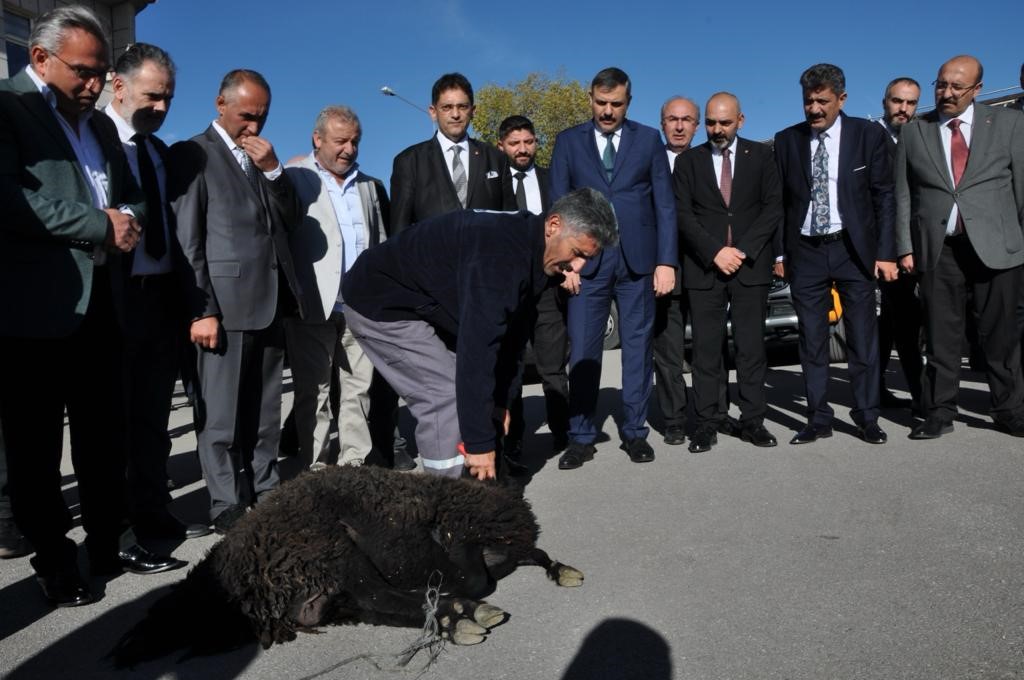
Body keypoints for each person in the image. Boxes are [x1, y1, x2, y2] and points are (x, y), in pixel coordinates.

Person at [0, 5, 183, 607]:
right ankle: (54, 559)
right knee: (35, 451)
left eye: (102, 72)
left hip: (105, 305)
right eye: (83, 71)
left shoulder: (101, 126)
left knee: (106, 438)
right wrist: (96, 225)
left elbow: (132, 198)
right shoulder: (7, 107)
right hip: (35, 311)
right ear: (39, 59)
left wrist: (127, 219)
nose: (95, 84)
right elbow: (11, 201)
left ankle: (108, 543)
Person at [343, 189, 618, 481]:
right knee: (444, 394)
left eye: (588, 259)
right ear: (553, 226)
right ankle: (444, 504)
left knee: (472, 397)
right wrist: (479, 444)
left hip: (426, 303)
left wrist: (501, 403)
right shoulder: (501, 259)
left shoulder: (534, 253)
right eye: (577, 254)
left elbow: (511, 341)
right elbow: (478, 351)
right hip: (380, 300)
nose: (578, 268)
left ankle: (470, 485)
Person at [171, 69, 303, 534]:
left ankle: (266, 489)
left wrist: (273, 171)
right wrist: (201, 308)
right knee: (221, 414)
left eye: (262, 116)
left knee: (265, 411)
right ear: (220, 104)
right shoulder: (192, 154)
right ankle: (225, 501)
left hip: (269, 301)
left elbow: (288, 220)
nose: (255, 126)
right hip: (221, 308)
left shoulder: (262, 159)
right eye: (247, 115)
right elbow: (188, 240)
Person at [104, 43, 210, 541]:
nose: (162, 109)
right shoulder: (96, 139)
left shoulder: (159, 152)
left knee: (153, 416)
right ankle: (117, 521)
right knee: (111, 419)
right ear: (119, 86)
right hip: (112, 299)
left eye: (168, 98)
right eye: (153, 96)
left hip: (160, 299)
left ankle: (151, 511)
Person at [549, 67, 677, 469]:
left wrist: (666, 261)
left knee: (638, 348)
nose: (607, 111)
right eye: (601, 103)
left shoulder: (648, 140)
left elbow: (665, 204)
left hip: (638, 261)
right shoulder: (568, 142)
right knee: (584, 349)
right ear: (590, 98)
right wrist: (564, 265)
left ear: (628, 102)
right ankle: (581, 436)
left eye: (616, 104)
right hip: (586, 265)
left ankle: (635, 432)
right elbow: (557, 209)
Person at [895, 55, 1024, 439]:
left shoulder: (1009, 123)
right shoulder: (915, 131)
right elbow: (904, 195)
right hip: (939, 248)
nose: (946, 93)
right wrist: (905, 247)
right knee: (940, 336)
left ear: (977, 89)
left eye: (956, 87)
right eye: (941, 84)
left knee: (1001, 336)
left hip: (997, 248)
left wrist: (1011, 236)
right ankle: (938, 413)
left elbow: (1020, 190)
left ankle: (1009, 410)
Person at [774, 63, 897, 446]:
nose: (813, 109)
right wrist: (779, 252)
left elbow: (884, 197)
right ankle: (818, 418)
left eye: (822, 101)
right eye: (808, 101)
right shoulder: (786, 140)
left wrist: (885, 252)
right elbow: (780, 202)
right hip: (805, 251)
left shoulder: (867, 135)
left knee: (862, 337)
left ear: (841, 99)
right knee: (811, 340)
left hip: (852, 249)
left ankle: (867, 416)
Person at [675, 93, 782, 453]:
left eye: (724, 122)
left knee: (751, 348)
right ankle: (707, 422)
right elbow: (683, 215)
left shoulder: (763, 156)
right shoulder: (689, 161)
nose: (717, 130)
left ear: (741, 120)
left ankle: (753, 421)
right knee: (706, 351)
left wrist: (743, 250)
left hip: (750, 267)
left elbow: (772, 208)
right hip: (705, 269)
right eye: (710, 123)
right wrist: (715, 252)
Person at [283, 105, 389, 469]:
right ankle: (314, 466)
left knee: (358, 390)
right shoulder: (296, 177)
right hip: (313, 306)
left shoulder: (368, 186)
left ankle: (353, 464)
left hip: (358, 307)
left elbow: (379, 244)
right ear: (318, 139)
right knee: (314, 392)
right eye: (340, 141)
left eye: (355, 142)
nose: (349, 149)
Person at [496, 114, 570, 455]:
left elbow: (567, 229)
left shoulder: (550, 180)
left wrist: (570, 268)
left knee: (553, 366)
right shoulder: (491, 184)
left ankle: (562, 433)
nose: (523, 149)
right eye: (515, 143)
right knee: (510, 370)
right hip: (508, 290)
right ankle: (513, 441)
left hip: (547, 287)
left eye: (528, 142)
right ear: (501, 146)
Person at [390, 72, 514, 232]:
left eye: (462, 107)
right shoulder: (408, 162)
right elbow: (400, 232)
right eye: (447, 107)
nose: (455, 115)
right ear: (433, 112)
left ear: (473, 110)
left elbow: (511, 223)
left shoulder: (496, 159)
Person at [875, 77, 924, 414]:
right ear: (885, 101)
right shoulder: (869, 137)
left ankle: (912, 391)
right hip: (881, 249)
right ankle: (915, 394)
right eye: (897, 101)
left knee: (901, 321)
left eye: (910, 104)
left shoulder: (921, 136)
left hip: (914, 244)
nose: (903, 109)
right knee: (893, 321)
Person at [654, 96, 699, 446]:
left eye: (686, 120)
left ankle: (712, 412)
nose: (679, 126)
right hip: (662, 270)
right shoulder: (649, 163)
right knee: (667, 352)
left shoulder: (709, 163)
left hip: (706, 269)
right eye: (673, 119)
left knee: (709, 347)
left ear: (696, 125)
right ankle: (674, 420)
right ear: (662, 124)